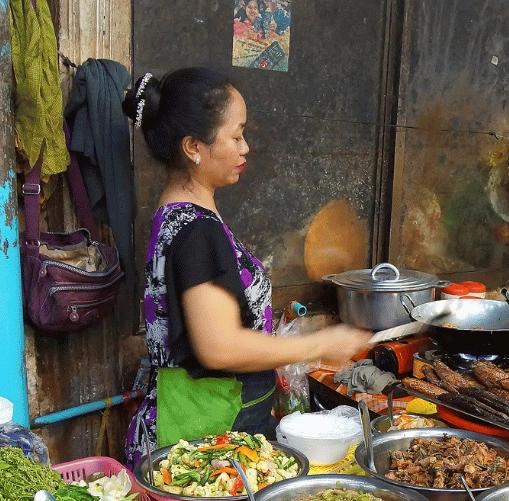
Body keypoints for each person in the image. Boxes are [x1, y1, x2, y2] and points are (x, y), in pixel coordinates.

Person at [122, 68, 371, 465]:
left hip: (196, 418)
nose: (246, 148)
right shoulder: (197, 230)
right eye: (236, 135)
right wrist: (321, 344)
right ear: (193, 147)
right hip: (203, 435)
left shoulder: (174, 214)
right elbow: (218, 346)